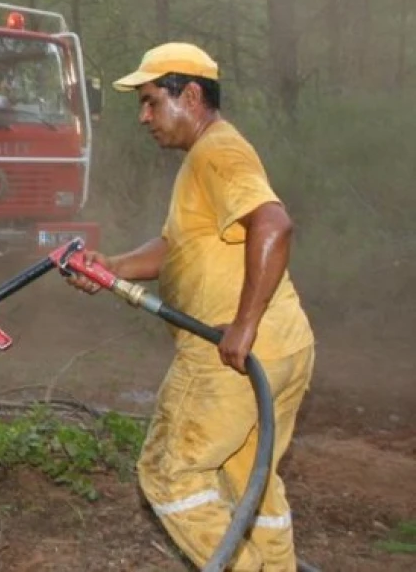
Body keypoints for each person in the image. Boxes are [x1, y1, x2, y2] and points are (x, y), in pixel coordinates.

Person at [67, 42, 315, 571]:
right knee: (253, 480)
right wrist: (109, 266)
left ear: (193, 95)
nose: (144, 116)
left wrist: (242, 326)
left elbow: (273, 224)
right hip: (285, 344)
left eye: (152, 101)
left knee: (168, 470)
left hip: (230, 354)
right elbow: (175, 249)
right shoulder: (205, 158)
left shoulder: (217, 152)